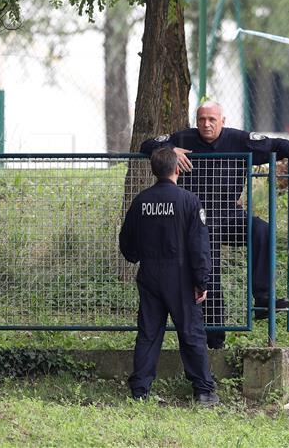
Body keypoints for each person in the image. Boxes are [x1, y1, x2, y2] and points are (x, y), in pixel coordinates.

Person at [140, 101, 289, 349]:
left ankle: (264, 299)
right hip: (196, 218)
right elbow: (147, 145)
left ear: (223, 120)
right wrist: (170, 151)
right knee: (208, 274)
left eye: (212, 119)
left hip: (229, 213)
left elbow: (277, 144)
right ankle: (214, 338)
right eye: (201, 120)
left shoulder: (240, 140)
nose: (206, 124)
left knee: (261, 230)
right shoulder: (183, 139)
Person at [119, 147, 220, 407]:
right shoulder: (188, 201)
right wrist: (201, 281)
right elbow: (199, 246)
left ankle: (140, 391)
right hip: (181, 276)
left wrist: (137, 256)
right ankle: (203, 391)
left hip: (150, 273)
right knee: (191, 332)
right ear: (177, 169)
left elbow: (126, 241)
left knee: (149, 333)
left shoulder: (141, 200)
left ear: (154, 170)